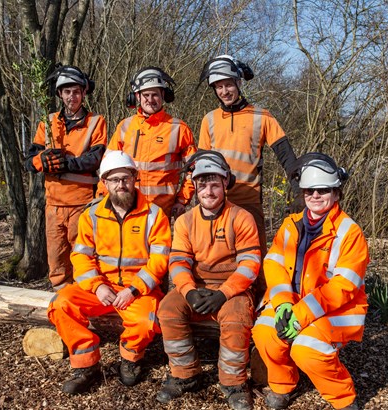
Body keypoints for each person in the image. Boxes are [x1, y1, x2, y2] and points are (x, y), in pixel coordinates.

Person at [47, 150, 171, 395]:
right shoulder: (91, 214)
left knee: (147, 320)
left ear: (135, 178)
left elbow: (160, 260)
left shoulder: (155, 215)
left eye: (125, 178)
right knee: (60, 304)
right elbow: (80, 256)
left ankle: (130, 358)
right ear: (104, 183)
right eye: (114, 180)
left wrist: (134, 289)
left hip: (138, 289)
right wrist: (97, 285)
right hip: (102, 286)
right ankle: (86, 365)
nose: (120, 184)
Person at [251, 153, 369, 410]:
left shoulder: (350, 233)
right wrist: (283, 304)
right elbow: (273, 263)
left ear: (336, 193)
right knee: (265, 332)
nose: (315, 196)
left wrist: (300, 315)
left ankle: (343, 399)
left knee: (306, 349)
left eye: (323, 190)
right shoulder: (290, 225)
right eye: (309, 191)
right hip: (293, 304)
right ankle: (283, 386)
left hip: (338, 310)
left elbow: (343, 287)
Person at [156, 150, 261, 410]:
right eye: (203, 185)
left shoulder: (242, 217)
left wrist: (224, 293)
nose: (209, 191)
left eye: (215, 184)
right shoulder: (184, 222)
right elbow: (178, 262)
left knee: (237, 318)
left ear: (225, 184)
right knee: (168, 309)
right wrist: (190, 291)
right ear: (195, 187)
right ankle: (185, 374)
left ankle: (234, 383)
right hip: (197, 285)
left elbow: (250, 265)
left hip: (234, 288)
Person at [198, 54, 298, 269]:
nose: (224, 92)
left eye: (228, 85)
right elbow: (201, 164)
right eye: (218, 87)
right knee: (216, 260)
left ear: (239, 83)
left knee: (254, 258)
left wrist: (298, 185)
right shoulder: (209, 120)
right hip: (215, 200)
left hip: (249, 199)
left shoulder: (262, 116)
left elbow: (285, 154)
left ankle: (259, 298)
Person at [25, 65, 107, 290]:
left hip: (82, 204)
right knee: (56, 257)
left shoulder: (95, 122)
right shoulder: (48, 122)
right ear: (60, 94)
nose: (72, 96)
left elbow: (96, 158)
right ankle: (61, 297)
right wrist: (43, 160)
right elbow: (30, 160)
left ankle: (86, 295)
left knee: (83, 254)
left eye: (76, 91)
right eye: (67, 91)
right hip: (53, 204)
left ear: (84, 93)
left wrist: (67, 163)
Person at [104, 66, 197, 220]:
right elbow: (108, 166)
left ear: (163, 96)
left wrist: (182, 199)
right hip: (127, 207)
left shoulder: (178, 129)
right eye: (146, 95)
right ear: (137, 97)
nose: (150, 100)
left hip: (162, 211)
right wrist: (104, 196)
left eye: (155, 95)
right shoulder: (125, 126)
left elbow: (193, 170)